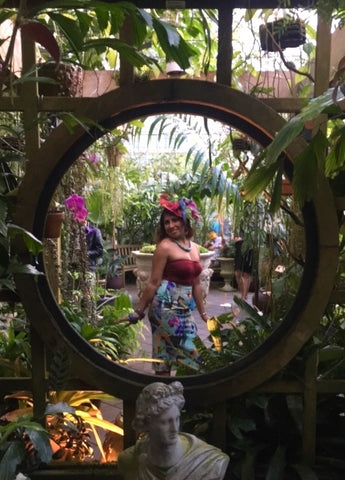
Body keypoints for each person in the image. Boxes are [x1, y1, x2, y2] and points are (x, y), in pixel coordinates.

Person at [116, 193, 212, 375]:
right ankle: (182, 399)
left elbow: (197, 284)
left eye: (174, 220)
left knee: (164, 358)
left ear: (185, 221)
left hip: (184, 309)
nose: (170, 225)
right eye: (166, 222)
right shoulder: (165, 246)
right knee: (196, 358)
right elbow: (153, 282)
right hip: (165, 308)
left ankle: (164, 398)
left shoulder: (195, 248)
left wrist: (204, 314)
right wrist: (139, 311)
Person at [117, 381, 230, 480]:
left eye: (177, 419)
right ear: (146, 424)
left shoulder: (209, 462)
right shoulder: (130, 461)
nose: (174, 428)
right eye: (165, 422)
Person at [233, 235, 253, 300]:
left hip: (249, 248)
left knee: (246, 274)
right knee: (237, 273)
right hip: (238, 248)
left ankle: (243, 296)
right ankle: (243, 293)